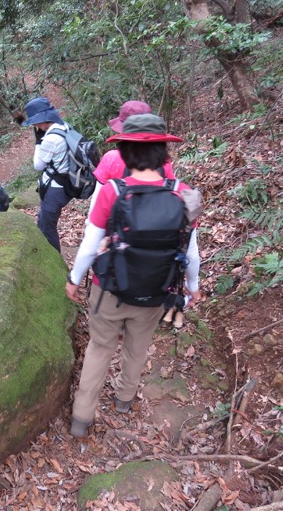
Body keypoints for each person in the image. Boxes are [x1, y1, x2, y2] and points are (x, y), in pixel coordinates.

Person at [65, 113, 202, 438]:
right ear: (163, 154)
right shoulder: (182, 193)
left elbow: (89, 244)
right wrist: (193, 288)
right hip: (156, 289)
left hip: (109, 287)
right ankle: (124, 399)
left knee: (100, 347)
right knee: (137, 349)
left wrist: (74, 279)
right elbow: (191, 252)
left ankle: (81, 418)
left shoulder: (113, 191)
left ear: (124, 153)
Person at [88, 101, 177, 215]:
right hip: (158, 224)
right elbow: (173, 197)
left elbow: (96, 204)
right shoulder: (164, 162)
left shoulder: (111, 158)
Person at [22, 97, 72, 252]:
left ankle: (55, 263)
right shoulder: (65, 126)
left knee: (47, 228)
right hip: (67, 182)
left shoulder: (50, 138)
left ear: (43, 119)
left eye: (35, 122)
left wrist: (38, 142)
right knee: (45, 222)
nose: (35, 126)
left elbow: (38, 165)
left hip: (56, 188)